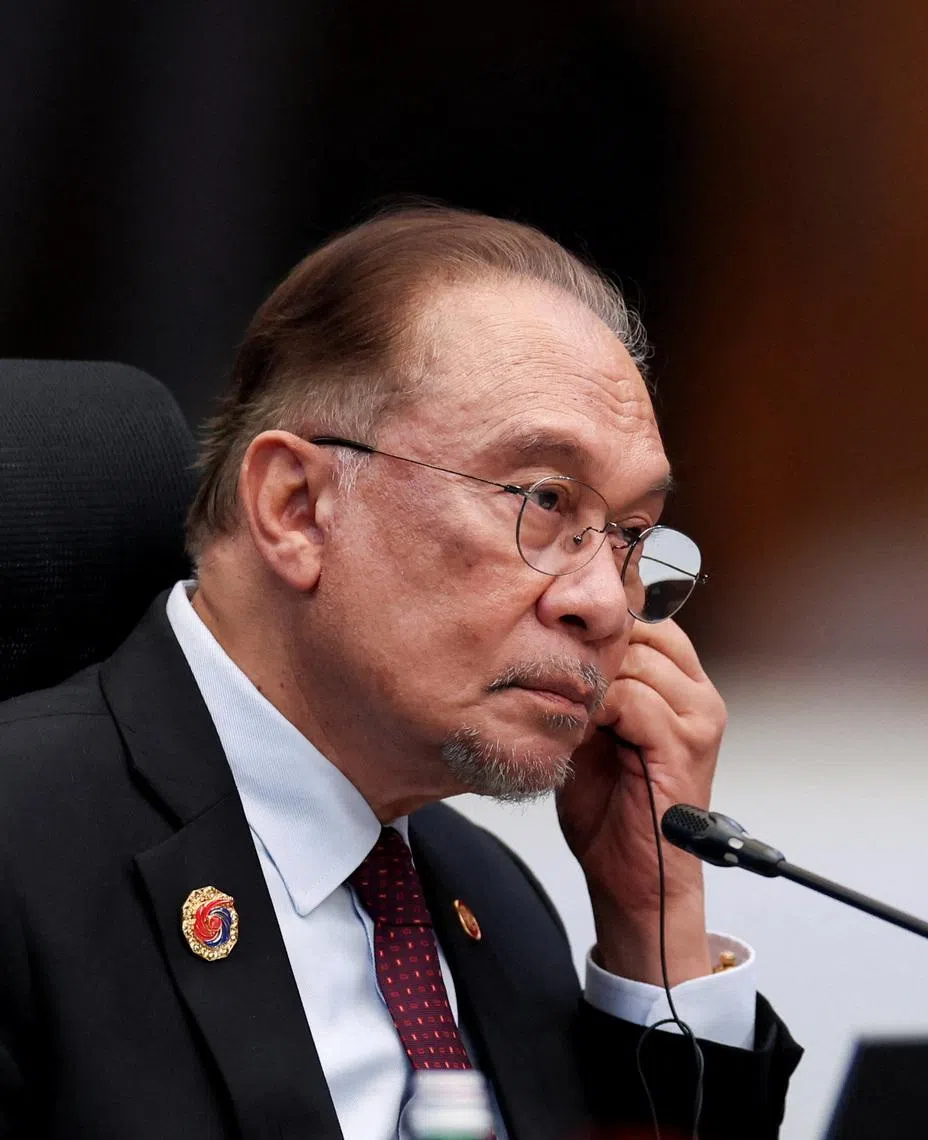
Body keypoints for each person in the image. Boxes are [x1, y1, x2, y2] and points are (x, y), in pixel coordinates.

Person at [0, 206, 800, 1139]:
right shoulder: (22, 853)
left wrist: (652, 923)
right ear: (297, 508)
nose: (607, 603)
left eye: (629, 536)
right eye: (544, 501)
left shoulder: (492, 905)